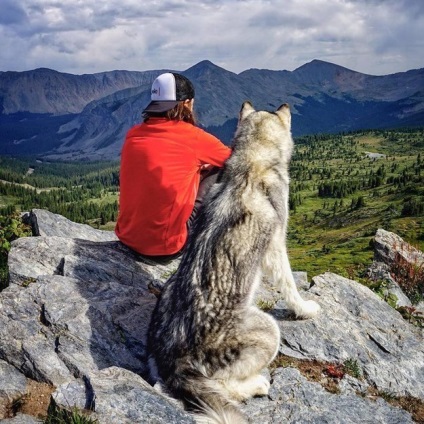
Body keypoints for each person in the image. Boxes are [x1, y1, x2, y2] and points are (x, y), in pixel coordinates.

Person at [115, 72, 231, 263]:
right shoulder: (193, 136)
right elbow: (237, 159)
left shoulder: (133, 134)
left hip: (128, 238)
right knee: (224, 169)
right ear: (186, 104)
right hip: (166, 249)